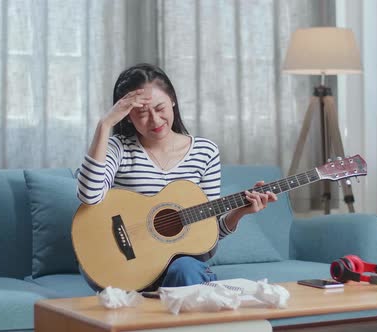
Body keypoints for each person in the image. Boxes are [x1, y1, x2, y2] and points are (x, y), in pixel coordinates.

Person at [77, 63, 277, 292]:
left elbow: (207, 239)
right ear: (127, 116)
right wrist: (105, 124)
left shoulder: (205, 152)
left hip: (178, 267)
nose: (154, 120)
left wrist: (239, 212)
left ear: (173, 100)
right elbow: (89, 196)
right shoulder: (117, 148)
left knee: (184, 269)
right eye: (141, 113)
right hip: (119, 265)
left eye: (160, 108)